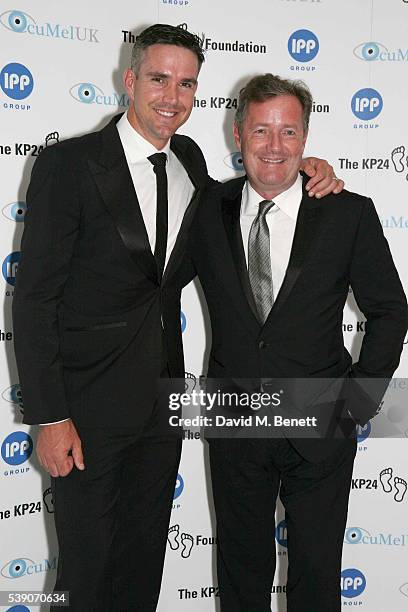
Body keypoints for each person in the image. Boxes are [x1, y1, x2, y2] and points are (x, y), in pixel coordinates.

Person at [12, 23, 344, 612]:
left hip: (159, 407)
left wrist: (305, 169)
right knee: (84, 574)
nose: (173, 97)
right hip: (84, 410)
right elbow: (34, 299)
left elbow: (249, 208)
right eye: (160, 79)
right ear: (130, 78)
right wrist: (49, 416)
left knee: (142, 568)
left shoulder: (189, 160)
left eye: (187, 84)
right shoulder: (69, 164)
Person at [188, 74, 408, 611]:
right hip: (235, 420)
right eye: (261, 130)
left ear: (306, 139)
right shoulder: (203, 209)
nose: (274, 146)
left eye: (288, 132)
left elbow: (390, 309)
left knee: (315, 575)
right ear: (237, 134)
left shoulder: (346, 212)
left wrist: (357, 403)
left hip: (320, 427)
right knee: (241, 574)